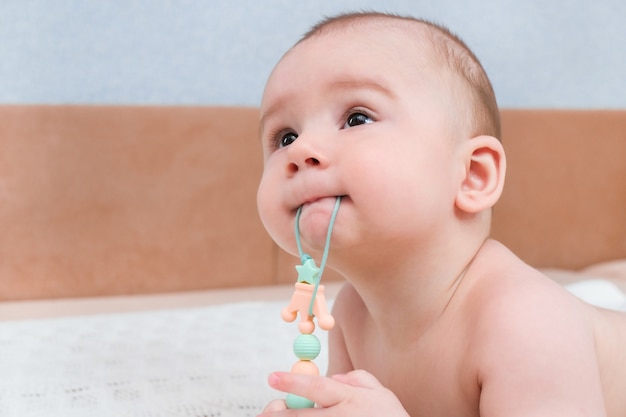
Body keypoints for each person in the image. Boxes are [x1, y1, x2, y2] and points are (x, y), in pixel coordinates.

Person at [255, 11, 626, 417]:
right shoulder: (350, 314)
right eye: (284, 136)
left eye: (356, 118)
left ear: (472, 176)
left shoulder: (525, 323)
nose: (299, 150)